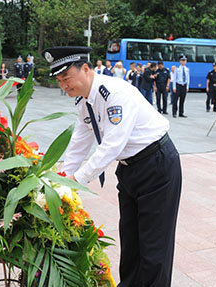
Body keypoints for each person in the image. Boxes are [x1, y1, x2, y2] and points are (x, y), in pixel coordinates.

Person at [42, 46, 182, 287]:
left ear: (85, 69)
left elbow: (111, 145)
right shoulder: (83, 101)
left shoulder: (114, 94)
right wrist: (61, 179)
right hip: (129, 170)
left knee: (153, 246)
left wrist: (76, 181)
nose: (63, 86)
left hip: (156, 165)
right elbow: (79, 142)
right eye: (59, 81)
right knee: (130, 242)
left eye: (66, 78)